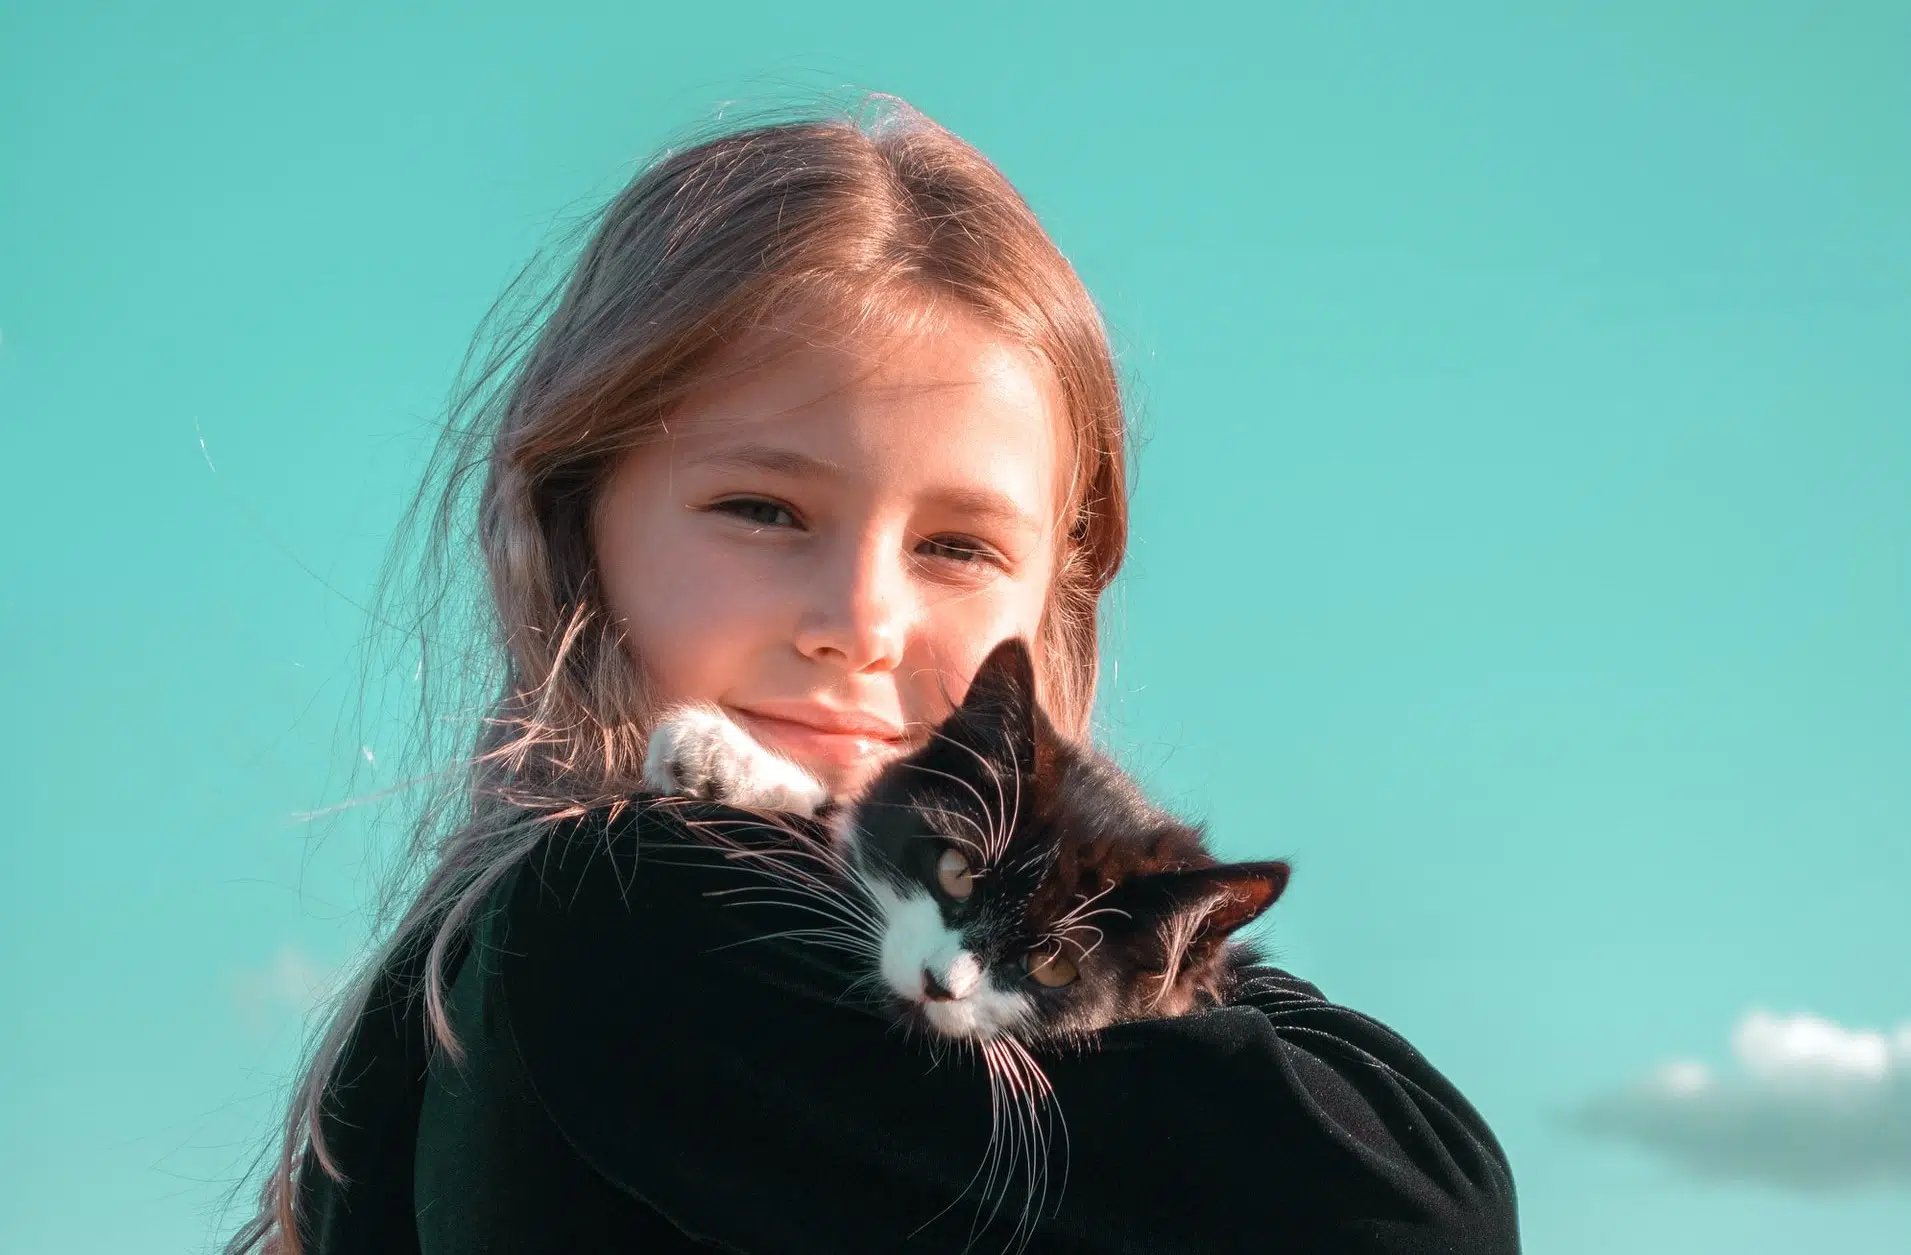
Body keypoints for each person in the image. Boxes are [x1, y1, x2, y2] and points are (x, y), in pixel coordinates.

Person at [228, 98, 1521, 1254]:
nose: (859, 621)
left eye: (956, 544)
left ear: (1051, 595)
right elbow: (1408, 1213)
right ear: (577, 523)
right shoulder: (638, 905)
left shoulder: (485, 952)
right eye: (761, 508)